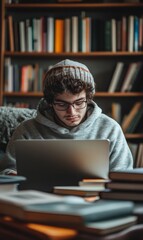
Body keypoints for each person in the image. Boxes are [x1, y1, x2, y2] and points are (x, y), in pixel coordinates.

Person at [0, 59, 133, 175]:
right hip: (40, 199)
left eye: (79, 102)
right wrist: (13, 175)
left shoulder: (111, 129)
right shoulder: (26, 131)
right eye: (62, 104)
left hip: (96, 201)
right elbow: (7, 172)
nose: (72, 112)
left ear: (89, 98)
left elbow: (122, 175)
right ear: (50, 102)